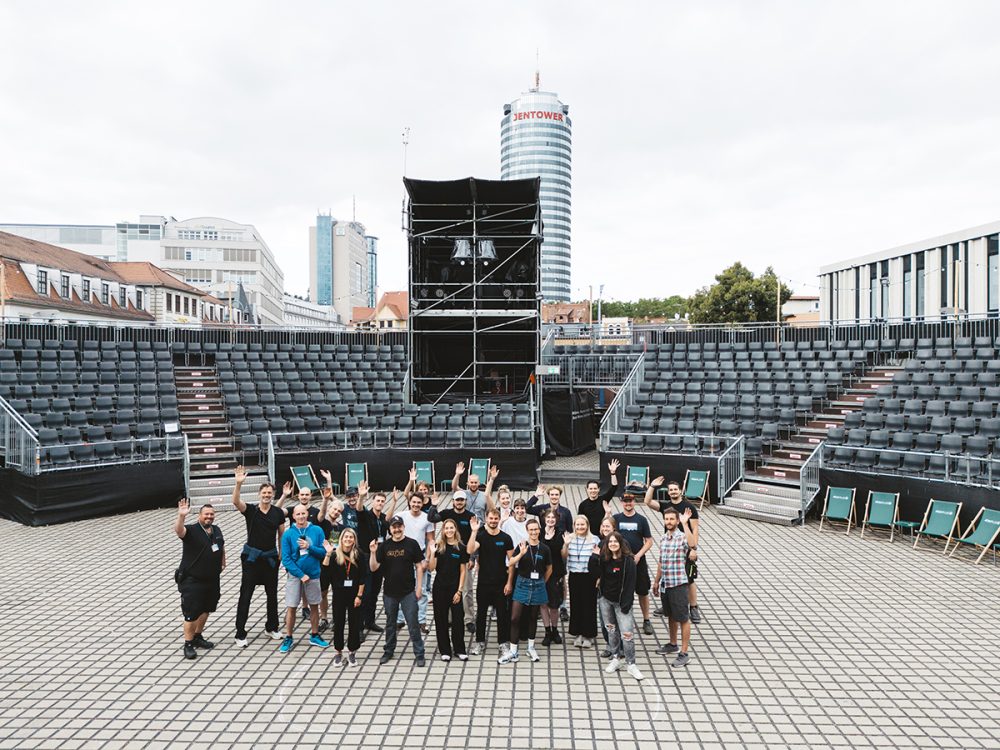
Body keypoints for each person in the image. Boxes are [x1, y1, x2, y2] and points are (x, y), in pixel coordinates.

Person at [232, 466, 285, 647]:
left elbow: (281, 534)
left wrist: (281, 554)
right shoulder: (251, 510)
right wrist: (238, 484)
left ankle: (272, 627)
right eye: (264, 493)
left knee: (272, 595)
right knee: (245, 595)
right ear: (259, 494)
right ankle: (240, 633)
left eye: (269, 493)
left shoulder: (277, 513)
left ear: (273, 495)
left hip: (270, 559)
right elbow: (235, 502)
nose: (267, 495)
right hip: (252, 559)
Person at [370, 515, 426, 667]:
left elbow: (419, 566)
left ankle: (419, 653)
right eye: (394, 527)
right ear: (390, 529)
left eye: (399, 526)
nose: (397, 529)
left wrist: (419, 587)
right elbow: (374, 567)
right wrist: (373, 553)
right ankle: (388, 651)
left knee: (413, 624)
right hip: (389, 593)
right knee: (390, 624)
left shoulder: (412, 544)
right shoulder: (384, 546)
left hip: (408, 592)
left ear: (403, 527)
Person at [645, 477, 702, 623]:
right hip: (670, 546)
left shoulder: (689, 507)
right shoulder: (666, 506)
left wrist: (693, 549)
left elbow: (695, 528)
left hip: (685, 547)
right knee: (667, 574)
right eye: (671, 490)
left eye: (675, 489)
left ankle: (693, 607)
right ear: (668, 492)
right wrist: (652, 486)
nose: (673, 492)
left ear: (680, 491)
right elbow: (648, 502)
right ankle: (668, 605)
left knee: (689, 578)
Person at [175, 499, 225, 660]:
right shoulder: (191, 530)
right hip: (192, 580)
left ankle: (197, 636)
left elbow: (221, 546)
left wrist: (223, 561)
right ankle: (188, 643)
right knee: (191, 613)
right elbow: (179, 531)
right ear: (199, 516)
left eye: (211, 514)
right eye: (206, 514)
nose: (209, 517)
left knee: (206, 609)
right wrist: (181, 516)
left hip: (212, 579)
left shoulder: (216, 530)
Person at [591, 531, 643, 680]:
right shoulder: (604, 558)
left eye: (615, 541)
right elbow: (593, 572)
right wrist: (595, 556)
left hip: (622, 603)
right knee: (611, 631)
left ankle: (631, 664)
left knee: (627, 634)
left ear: (621, 544)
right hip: (606, 601)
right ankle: (615, 658)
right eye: (610, 542)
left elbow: (631, 583)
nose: (613, 544)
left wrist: (626, 603)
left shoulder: (628, 561)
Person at [278, 504, 330, 653]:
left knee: (314, 605)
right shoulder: (288, 534)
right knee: (292, 606)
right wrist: (301, 575)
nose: (301, 516)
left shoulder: (317, 530)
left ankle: (314, 634)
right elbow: (286, 559)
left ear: (307, 514)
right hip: (295, 576)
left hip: (313, 574)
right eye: (298, 514)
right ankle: (289, 637)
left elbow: (322, 553)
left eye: (303, 513)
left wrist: (309, 547)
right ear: (293, 516)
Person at [499, 518, 552, 664]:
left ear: (539, 530)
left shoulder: (545, 549)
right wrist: (521, 554)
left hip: (538, 584)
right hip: (522, 584)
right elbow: (511, 562)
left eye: (536, 529)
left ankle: (530, 647)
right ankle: (513, 651)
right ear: (527, 531)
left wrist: (542, 582)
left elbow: (549, 568)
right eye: (531, 530)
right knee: (515, 618)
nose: (534, 532)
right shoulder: (522, 545)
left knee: (532, 617)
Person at [427, 489, 476, 634]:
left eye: (462, 500)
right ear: (453, 501)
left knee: (467, 590)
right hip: (448, 556)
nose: (459, 502)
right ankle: (449, 619)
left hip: (464, 557)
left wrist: (472, 557)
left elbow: (475, 538)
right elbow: (432, 518)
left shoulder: (470, 516)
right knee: (449, 590)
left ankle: (469, 619)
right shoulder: (447, 513)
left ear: (465, 501)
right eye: (457, 500)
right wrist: (434, 505)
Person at [654, 507, 697, 668]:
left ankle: (684, 654)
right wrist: (656, 581)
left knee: (683, 618)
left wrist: (686, 524)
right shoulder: (663, 538)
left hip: (679, 584)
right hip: (666, 583)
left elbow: (692, 545)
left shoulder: (682, 537)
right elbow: (661, 562)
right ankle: (673, 644)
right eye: (667, 519)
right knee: (671, 615)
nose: (669, 522)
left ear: (677, 521)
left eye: (672, 519)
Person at [467, 511, 514, 657]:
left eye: (495, 518)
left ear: (499, 519)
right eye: (491, 518)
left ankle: (503, 643)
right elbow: (469, 549)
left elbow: (512, 563)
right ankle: (479, 642)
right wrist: (474, 531)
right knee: (481, 614)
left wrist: (509, 582)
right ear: (486, 519)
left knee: (502, 614)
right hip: (484, 583)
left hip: (501, 583)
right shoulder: (481, 536)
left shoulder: (506, 538)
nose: (493, 521)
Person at [612, 484, 655, 636]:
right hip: (620, 562)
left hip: (638, 562)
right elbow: (608, 535)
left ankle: (646, 619)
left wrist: (638, 555)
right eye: (625, 501)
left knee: (642, 591)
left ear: (634, 502)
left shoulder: (641, 520)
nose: (628, 503)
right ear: (621, 502)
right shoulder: (616, 518)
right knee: (620, 590)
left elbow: (649, 541)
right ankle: (619, 618)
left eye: (630, 501)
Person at [321, 527, 366, 666]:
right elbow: (325, 572)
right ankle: (338, 651)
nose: (348, 539)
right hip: (339, 594)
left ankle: (352, 651)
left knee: (354, 623)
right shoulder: (335, 555)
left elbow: (363, 577)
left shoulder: (359, 555)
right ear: (341, 539)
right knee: (338, 623)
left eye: (351, 537)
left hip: (354, 594)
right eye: (346, 537)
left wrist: (359, 596)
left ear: (354, 540)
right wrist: (328, 554)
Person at [428, 519, 469, 661]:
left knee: (458, 620)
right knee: (441, 620)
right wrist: (432, 553)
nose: (449, 530)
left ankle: (459, 649)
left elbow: (463, 571)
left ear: (455, 529)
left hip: (455, 589)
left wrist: (459, 591)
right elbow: (431, 568)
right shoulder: (439, 546)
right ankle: (445, 650)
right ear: (443, 530)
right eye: (446, 528)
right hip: (440, 588)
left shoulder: (461, 548)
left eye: (452, 528)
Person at [398, 493, 435, 633]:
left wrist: (427, 559)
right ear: (409, 502)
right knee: (401, 588)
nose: (416, 505)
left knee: (422, 590)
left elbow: (431, 540)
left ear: (423, 503)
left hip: (420, 555)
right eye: (413, 502)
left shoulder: (427, 518)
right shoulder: (401, 515)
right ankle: (400, 620)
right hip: (403, 556)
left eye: (419, 502)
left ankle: (421, 621)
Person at [563, 516, 600, 648]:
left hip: (589, 576)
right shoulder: (569, 538)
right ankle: (578, 633)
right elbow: (564, 556)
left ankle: (588, 635)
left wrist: (599, 576)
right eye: (577, 525)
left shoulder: (594, 539)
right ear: (574, 525)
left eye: (582, 524)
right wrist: (566, 545)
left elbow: (598, 559)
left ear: (587, 525)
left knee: (589, 605)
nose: (580, 527)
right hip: (574, 575)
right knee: (576, 604)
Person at [357, 490, 390, 634]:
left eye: (382, 501)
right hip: (365, 557)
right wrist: (361, 496)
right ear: (372, 501)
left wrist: (395, 501)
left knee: (375, 592)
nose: (380, 503)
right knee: (365, 593)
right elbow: (359, 509)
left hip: (379, 557)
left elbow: (388, 522)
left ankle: (370, 621)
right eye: (378, 500)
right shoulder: (366, 515)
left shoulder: (382, 518)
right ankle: (359, 628)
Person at [316, 493, 345, 632]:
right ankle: (324, 618)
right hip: (323, 562)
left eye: (339, 511)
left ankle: (336, 618)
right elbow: (321, 515)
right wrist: (325, 500)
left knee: (338, 593)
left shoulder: (341, 527)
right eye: (334, 509)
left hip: (337, 563)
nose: (336, 512)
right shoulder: (322, 523)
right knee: (323, 592)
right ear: (329, 508)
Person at [539, 508, 566, 646]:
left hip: (555, 573)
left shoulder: (561, 534)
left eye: (553, 518)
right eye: (548, 517)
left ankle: (555, 630)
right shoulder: (539, 532)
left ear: (557, 520)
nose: (550, 520)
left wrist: (566, 544)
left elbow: (563, 555)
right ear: (544, 519)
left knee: (554, 605)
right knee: (543, 604)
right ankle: (547, 631)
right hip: (541, 572)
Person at [578, 459, 619, 535]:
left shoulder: (604, 500)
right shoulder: (583, 505)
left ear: (599, 489)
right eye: (591, 489)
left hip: (603, 534)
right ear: (587, 489)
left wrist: (613, 473)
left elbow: (614, 487)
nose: (593, 491)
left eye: (595, 488)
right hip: (589, 535)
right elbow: (580, 521)